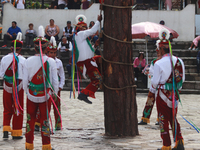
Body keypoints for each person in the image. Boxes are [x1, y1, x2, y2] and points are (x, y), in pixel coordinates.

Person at [23, 26, 58, 150]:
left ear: (35, 47)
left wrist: (27, 92)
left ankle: (29, 144)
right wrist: (54, 93)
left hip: (31, 94)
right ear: (46, 48)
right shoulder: (51, 62)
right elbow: (55, 82)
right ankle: (46, 145)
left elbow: (24, 81)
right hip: (46, 95)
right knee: (44, 120)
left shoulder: (28, 61)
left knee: (30, 119)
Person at [151, 30, 185, 150]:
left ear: (161, 49)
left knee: (162, 119)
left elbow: (154, 83)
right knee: (173, 118)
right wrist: (174, 90)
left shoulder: (158, 63)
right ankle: (179, 141)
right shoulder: (179, 61)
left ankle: (166, 145)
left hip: (162, 95)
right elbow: (181, 79)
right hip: (174, 94)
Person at [0, 33, 25, 140]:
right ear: (21, 49)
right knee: (18, 108)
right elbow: (25, 75)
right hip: (19, 86)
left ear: (11, 48)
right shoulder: (24, 60)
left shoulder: (4, 59)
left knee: (7, 107)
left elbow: (1, 74)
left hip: (7, 85)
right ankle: (16, 131)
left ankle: (6, 128)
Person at [74, 14, 102, 104]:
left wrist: (95, 46)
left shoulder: (82, 39)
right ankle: (84, 94)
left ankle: (85, 93)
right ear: (78, 28)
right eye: (82, 27)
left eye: (85, 27)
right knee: (97, 80)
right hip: (86, 62)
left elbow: (88, 51)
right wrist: (98, 21)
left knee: (101, 59)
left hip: (88, 61)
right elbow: (93, 30)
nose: (84, 29)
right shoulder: (80, 34)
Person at [138, 43, 161, 125]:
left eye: (159, 52)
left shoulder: (165, 61)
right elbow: (151, 71)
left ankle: (160, 119)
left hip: (161, 85)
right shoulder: (154, 61)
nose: (158, 54)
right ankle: (145, 118)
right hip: (154, 85)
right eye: (157, 52)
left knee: (160, 103)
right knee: (149, 102)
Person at [47, 36, 65, 130]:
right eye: (51, 52)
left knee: (57, 106)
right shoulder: (45, 61)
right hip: (47, 87)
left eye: (54, 52)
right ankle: (45, 123)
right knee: (46, 106)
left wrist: (61, 86)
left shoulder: (59, 62)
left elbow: (62, 75)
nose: (53, 54)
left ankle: (58, 124)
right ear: (48, 52)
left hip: (56, 87)